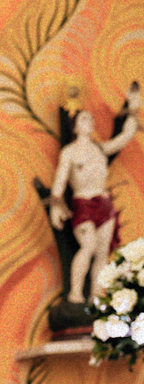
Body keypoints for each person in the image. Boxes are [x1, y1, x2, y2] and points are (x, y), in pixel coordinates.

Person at [48, 82, 140, 304]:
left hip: (104, 204)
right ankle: (75, 294)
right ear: (75, 127)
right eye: (84, 119)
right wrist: (55, 206)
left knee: (101, 253)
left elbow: (125, 137)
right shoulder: (69, 152)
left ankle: (96, 297)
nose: (89, 122)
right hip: (83, 204)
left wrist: (134, 105)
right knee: (87, 246)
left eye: (90, 118)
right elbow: (59, 182)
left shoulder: (100, 149)